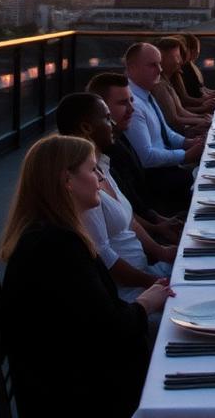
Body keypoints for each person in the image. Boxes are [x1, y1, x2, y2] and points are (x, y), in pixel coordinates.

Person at [0, 134, 171, 418]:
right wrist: (146, 303)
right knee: (180, 336)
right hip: (80, 392)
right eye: (93, 170)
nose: (101, 179)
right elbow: (110, 328)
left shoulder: (48, 235)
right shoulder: (57, 247)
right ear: (67, 180)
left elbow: (94, 317)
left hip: (67, 375)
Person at [53, 93, 176, 300]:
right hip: (129, 295)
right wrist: (154, 283)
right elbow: (104, 259)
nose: (113, 124)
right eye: (106, 118)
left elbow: (130, 221)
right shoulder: (82, 187)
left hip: (146, 275)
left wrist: (161, 251)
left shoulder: (101, 166)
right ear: (86, 127)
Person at [87, 71, 182, 243]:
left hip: (153, 215)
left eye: (131, 100)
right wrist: (157, 227)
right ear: (102, 109)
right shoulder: (100, 156)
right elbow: (126, 212)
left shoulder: (119, 138)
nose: (132, 109)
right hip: (147, 230)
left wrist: (158, 220)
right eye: (123, 103)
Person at [122, 42, 203, 212]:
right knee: (206, 181)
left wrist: (189, 142)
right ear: (132, 68)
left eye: (159, 63)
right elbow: (147, 157)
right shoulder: (133, 104)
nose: (160, 69)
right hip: (156, 178)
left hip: (168, 168)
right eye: (153, 65)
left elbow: (166, 133)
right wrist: (186, 155)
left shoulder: (145, 93)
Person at [152, 36, 212, 134]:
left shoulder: (169, 80)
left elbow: (181, 111)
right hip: (180, 134)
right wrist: (203, 118)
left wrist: (203, 117)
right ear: (161, 58)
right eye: (176, 57)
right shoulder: (159, 86)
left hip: (184, 131)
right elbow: (173, 120)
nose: (180, 61)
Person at [177, 32, 215, 105]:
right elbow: (186, 100)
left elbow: (201, 88)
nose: (198, 53)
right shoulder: (181, 69)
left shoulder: (190, 65)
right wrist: (207, 102)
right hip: (196, 106)